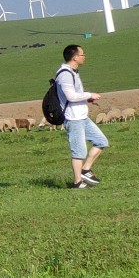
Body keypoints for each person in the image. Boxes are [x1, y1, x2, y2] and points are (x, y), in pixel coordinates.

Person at [55, 43, 108, 189]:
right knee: (78, 151)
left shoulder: (73, 72)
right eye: (82, 54)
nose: (84, 57)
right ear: (75, 57)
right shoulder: (65, 74)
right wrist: (90, 94)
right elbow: (71, 96)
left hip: (82, 116)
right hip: (73, 118)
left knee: (101, 141)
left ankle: (85, 170)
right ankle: (77, 182)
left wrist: (86, 99)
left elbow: (74, 95)